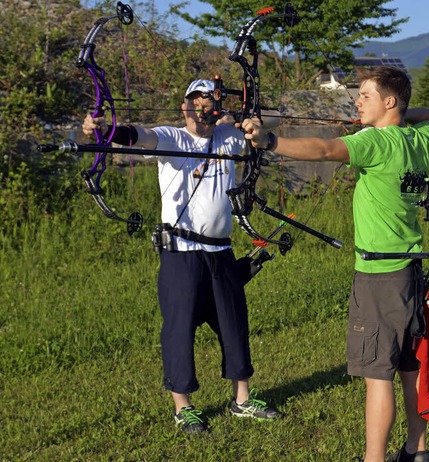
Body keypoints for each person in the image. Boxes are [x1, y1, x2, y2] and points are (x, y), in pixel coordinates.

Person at [243, 66, 429, 462]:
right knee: (408, 365)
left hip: (378, 277)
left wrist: (268, 140)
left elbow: (324, 149)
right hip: (409, 271)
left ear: (388, 102)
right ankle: (417, 450)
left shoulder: (375, 142)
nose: (357, 101)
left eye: (365, 95)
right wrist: (400, 113)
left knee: (377, 377)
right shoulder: (417, 139)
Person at [82, 79, 281, 434]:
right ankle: (183, 406)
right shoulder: (173, 138)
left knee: (233, 324)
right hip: (181, 252)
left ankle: (242, 399)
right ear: (184, 106)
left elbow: (270, 131)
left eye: (209, 102)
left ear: (217, 108)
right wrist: (105, 128)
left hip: (221, 250)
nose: (201, 108)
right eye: (195, 101)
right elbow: (139, 135)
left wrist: (252, 124)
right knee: (179, 328)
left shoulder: (230, 138)